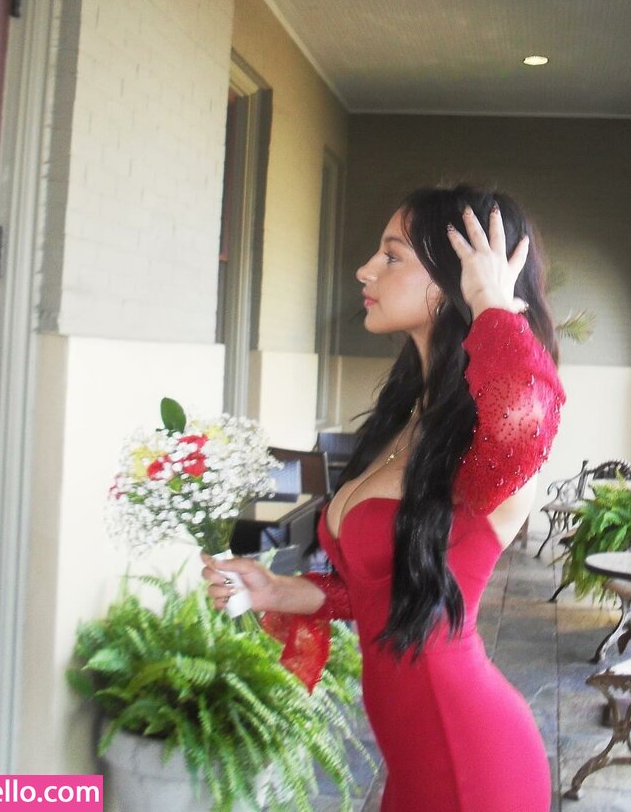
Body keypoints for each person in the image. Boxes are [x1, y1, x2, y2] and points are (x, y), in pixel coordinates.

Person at [202, 184, 565, 811]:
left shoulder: (485, 445)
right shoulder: (412, 417)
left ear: (449, 284)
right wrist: (279, 591)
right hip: (416, 760)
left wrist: (492, 304)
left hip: (471, 767)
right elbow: (385, 593)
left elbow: (524, 414)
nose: (365, 270)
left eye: (392, 256)